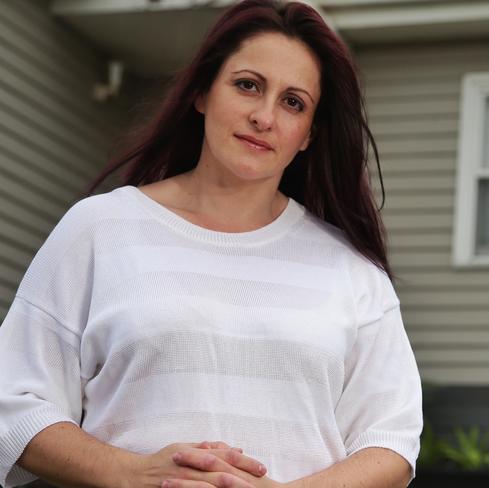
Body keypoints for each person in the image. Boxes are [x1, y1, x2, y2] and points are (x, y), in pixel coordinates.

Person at [0, 0, 423, 487]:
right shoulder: (99, 229)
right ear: (202, 92)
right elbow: (15, 403)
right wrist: (132, 472)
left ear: (309, 134)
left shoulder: (351, 269)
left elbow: (390, 441)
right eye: (248, 85)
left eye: (293, 102)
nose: (265, 116)